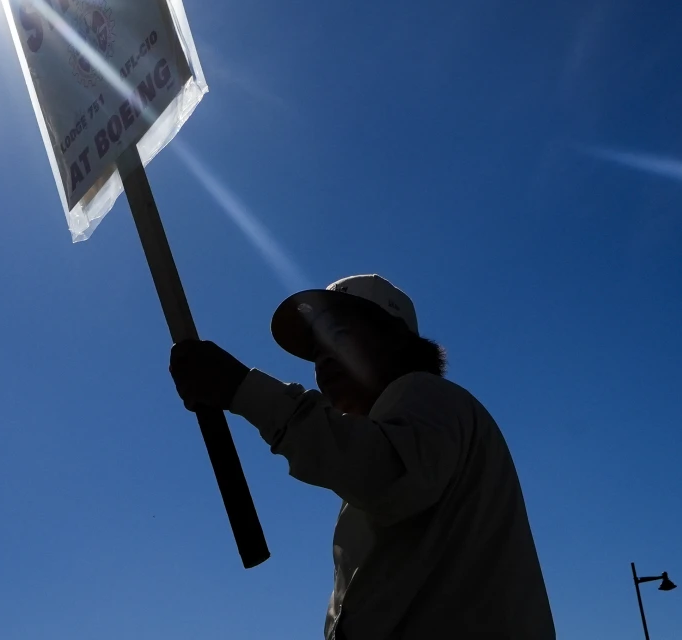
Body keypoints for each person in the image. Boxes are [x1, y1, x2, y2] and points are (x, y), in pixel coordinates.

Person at [169, 274, 556, 640]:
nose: (323, 361)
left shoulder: (424, 393)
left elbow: (384, 475)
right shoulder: (415, 427)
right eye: (317, 351)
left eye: (339, 336)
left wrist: (240, 388)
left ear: (396, 340)